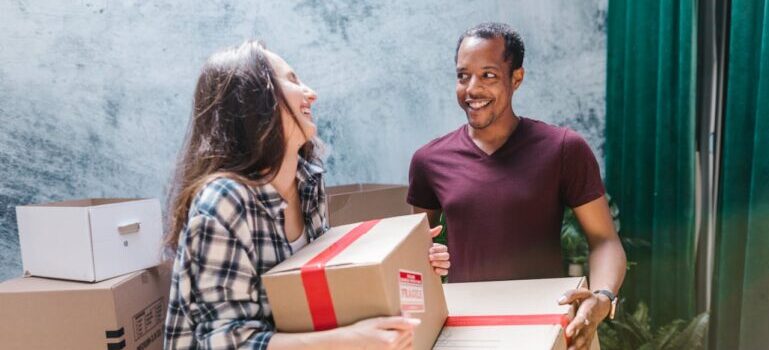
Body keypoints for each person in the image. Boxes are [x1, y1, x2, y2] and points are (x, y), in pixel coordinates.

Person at [163, 40, 450, 350]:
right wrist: (349, 341)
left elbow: (322, 290)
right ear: (254, 99)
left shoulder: (307, 182)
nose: (311, 93)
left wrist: (409, 265)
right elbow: (225, 344)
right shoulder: (223, 202)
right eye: (292, 80)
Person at [407, 23, 626, 350]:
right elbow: (415, 256)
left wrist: (603, 297)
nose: (472, 88)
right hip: (466, 333)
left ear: (517, 78)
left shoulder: (563, 149)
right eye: (463, 75)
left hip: (542, 327)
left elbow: (604, 240)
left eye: (489, 75)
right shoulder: (429, 161)